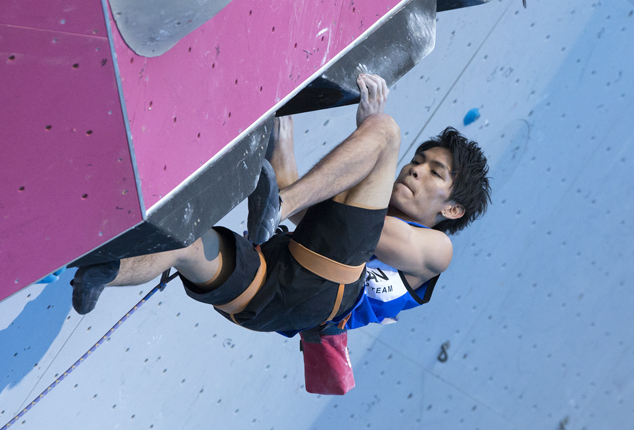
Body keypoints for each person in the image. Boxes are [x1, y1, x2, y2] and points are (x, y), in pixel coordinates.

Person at [71, 74, 491, 337]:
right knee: (186, 245)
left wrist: (370, 140)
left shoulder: (438, 251)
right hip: (271, 297)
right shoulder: (346, 226)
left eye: (435, 173)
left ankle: (280, 203)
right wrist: (280, 121)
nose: (414, 171)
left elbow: (363, 230)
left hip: (329, 294)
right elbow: (302, 206)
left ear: (452, 210)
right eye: (418, 161)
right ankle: (105, 272)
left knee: (386, 128)